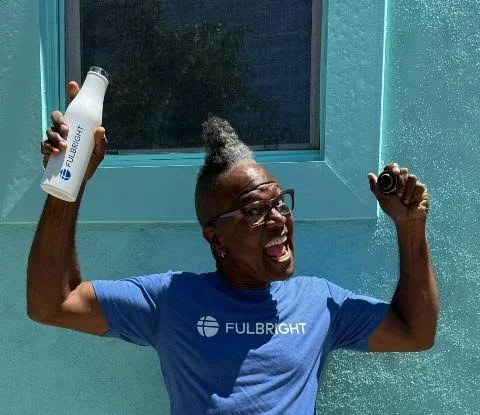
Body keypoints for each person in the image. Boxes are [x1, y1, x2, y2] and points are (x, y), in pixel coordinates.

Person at [28, 82, 438, 414]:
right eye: (255, 211)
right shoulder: (171, 300)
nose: (278, 219)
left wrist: (410, 227)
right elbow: (52, 304)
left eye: (280, 202)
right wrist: (70, 181)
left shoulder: (320, 303)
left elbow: (415, 333)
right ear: (216, 237)